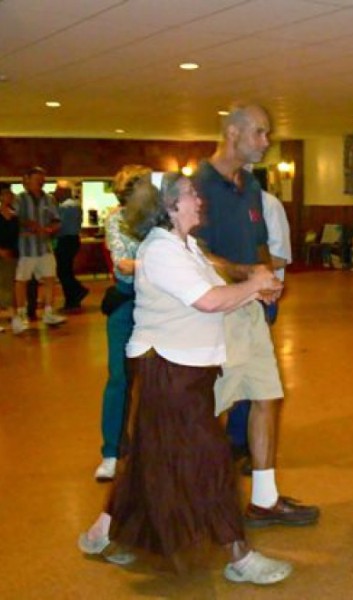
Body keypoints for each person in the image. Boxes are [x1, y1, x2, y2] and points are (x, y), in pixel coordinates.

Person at [78, 172, 292, 585]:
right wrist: (254, 284)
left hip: (186, 370)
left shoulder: (186, 245)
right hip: (168, 371)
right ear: (169, 206)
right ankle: (239, 555)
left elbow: (210, 298)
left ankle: (102, 533)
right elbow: (209, 301)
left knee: (151, 460)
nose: (199, 199)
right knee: (211, 459)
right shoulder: (161, 250)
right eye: (191, 194)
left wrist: (253, 291)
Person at [194, 102, 319, 526]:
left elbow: (260, 242)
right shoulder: (198, 184)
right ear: (233, 133)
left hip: (250, 310)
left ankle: (263, 500)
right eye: (260, 133)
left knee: (267, 396)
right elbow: (193, 254)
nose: (267, 143)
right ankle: (196, 500)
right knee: (209, 408)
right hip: (213, 313)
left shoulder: (249, 185)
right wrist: (249, 274)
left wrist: (267, 277)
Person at [94, 165, 154, 482]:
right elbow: (123, 264)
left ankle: (156, 449)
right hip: (126, 302)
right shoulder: (116, 219)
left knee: (161, 378)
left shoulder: (161, 219)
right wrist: (160, 262)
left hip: (159, 304)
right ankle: (111, 452)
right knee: (119, 377)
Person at [226, 183, 293, 463]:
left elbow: (280, 256)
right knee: (232, 367)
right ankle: (237, 438)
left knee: (250, 371)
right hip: (227, 297)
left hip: (260, 296)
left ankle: (242, 443)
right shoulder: (219, 205)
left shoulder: (268, 205)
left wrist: (237, 266)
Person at [11, 166, 66, 333]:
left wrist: (52, 228)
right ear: (26, 180)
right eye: (36, 180)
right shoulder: (19, 199)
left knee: (50, 279)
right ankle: (20, 315)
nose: (40, 183)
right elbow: (14, 220)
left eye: (42, 180)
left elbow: (56, 219)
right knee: (21, 281)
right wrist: (29, 225)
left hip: (45, 247)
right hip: (26, 248)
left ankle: (49, 312)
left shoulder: (49, 199)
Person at [54, 182, 89, 310]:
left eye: (57, 190)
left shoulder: (66, 207)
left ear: (63, 192)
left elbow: (59, 225)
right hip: (73, 240)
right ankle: (73, 298)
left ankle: (76, 292)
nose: (55, 193)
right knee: (66, 270)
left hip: (65, 241)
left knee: (63, 271)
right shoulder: (75, 205)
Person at [0, 182, 20, 331]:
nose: (10, 196)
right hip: (3, 253)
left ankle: (14, 317)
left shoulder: (14, 215)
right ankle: (14, 317)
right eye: (7, 193)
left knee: (8, 285)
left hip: (11, 254)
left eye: (10, 193)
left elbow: (15, 236)